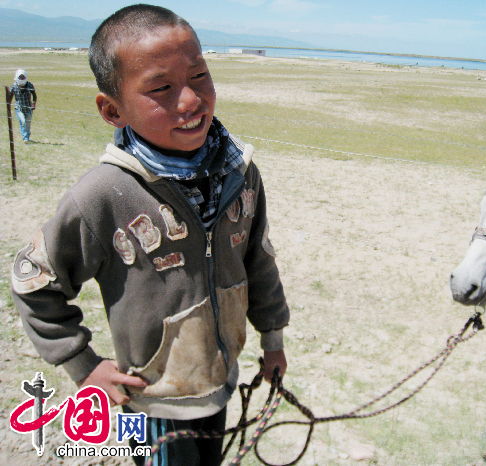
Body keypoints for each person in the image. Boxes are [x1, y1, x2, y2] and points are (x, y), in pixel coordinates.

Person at [10, 4, 289, 465]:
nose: (190, 100)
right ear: (112, 109)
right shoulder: (101, 196)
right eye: (161, 88)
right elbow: (34, 281)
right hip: (147, 401)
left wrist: (273, 340)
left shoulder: (240, 172)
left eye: (199, 75)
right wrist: (84, 365)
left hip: (219, 386)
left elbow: (258, 261)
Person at [9, 69, 37, 143]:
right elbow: (10, 96)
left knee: (28, 124)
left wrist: (33, 103)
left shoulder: (30, 85)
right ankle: (25, 138)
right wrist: (8, 105)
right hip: (19, 108)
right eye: (20, 77)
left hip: (28, 108)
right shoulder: (14, 86)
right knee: (23, 122)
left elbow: (34, 94)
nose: (22, 79)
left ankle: (27, 136)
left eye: (23, 77)